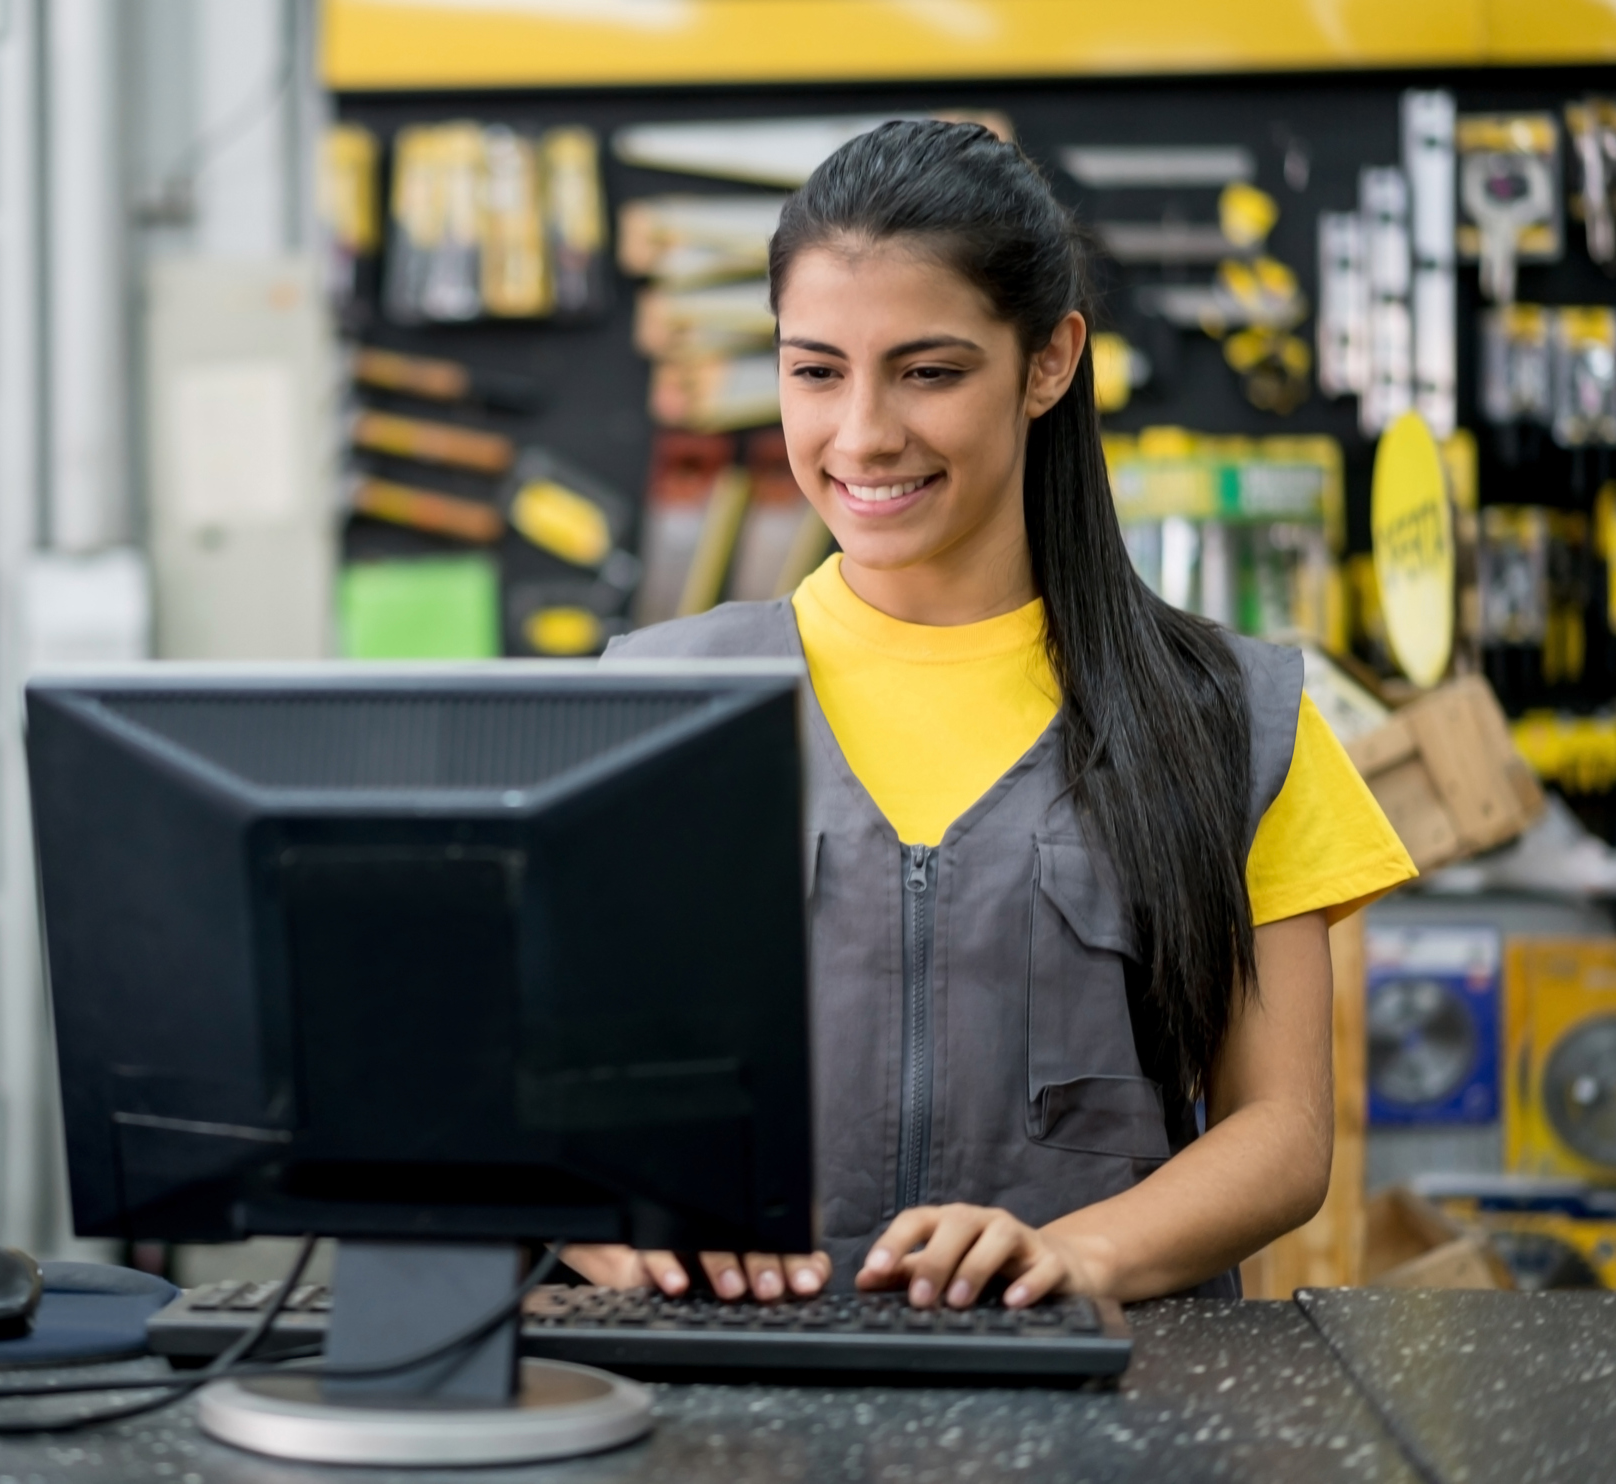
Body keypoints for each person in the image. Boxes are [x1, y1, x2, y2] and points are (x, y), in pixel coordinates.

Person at [582, 119, 1415, 1311]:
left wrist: (1085, 1251)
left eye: (927, 371)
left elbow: (1280, 1133)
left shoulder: (1235, 717)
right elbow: (535, 1092)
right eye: (814, 370)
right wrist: (621, 1234)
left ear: (1047, 360)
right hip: (730, 1400)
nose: (861, 432)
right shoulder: (647, 704)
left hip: (1108, 1405)